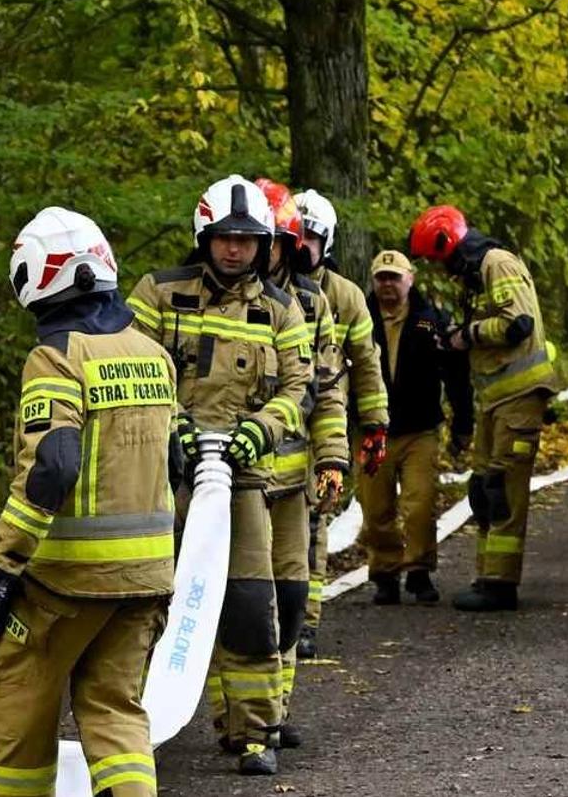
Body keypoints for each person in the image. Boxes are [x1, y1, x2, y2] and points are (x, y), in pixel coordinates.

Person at [0, 207, 176, 797]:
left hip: (64, 586)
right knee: (115, 713)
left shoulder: (56, 358)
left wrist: (0, 563)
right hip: (148, 581)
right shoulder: (154, 357)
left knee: (18, 714)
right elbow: (170, 465)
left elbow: (53, 465)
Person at [127, 174, 312, 776]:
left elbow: (297, 387)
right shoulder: (157, 291)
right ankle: (133, 725)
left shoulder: (282, 311)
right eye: (225, 238)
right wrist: (171, 422)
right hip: (163, 475)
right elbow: (130, 365)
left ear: (264, 244)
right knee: (148, 599)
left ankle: (255, 731)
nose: (235, 249)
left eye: (247, 239)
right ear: (204, 236)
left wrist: (264, 428)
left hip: (244, 477)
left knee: (250, 601)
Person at [407, 205, 556, 613]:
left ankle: (501, 584)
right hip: (496, 399)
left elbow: (516, 324)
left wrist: (466, 336)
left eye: (439, 261)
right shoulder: (475, 274)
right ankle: (488, 576)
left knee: (503, 490)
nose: (440, 271)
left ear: (450, 247)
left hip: (519, 396)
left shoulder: (497, 264)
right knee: (483, 491)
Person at [247, 177, 348, 753]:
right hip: (231, 481)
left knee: (288, 598)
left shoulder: (312, 305)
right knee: (241, 602)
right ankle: (244, 719)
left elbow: (328, 389)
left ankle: (274, 713)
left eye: (288, 242)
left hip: (293, 477)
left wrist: (332, 459)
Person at [291, 190, 389, 656]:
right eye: (297, 233)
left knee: (313, 522)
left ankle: (304, 622)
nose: (302, 244)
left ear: (326, 242)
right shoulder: (270, 287)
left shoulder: (346, 297)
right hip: (274, 424)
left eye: (312, 236)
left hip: (321, 427)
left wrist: (374, 425)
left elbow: (367, 365)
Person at [358, 250, 472, 605]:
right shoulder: (358, 319)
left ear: (410, 279)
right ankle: (385, 574)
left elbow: (455, 372)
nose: (388, 284)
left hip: (420, 428)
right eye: (382, 278)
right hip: (371, 429)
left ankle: (420, 572)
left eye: (395, 277)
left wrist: (462, 424)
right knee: (376, 508)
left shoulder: (431, 320)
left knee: (420, 503)